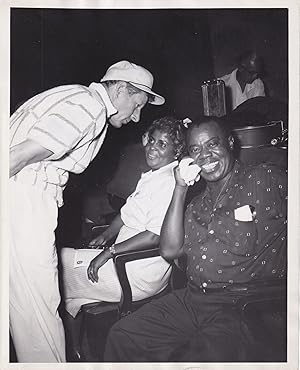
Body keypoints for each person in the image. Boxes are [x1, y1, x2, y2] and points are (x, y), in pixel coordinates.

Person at [9, 60, 164, 363]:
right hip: (26, 196)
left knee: (23, 305)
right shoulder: (90, 107)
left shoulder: (68, 94)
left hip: (19, 192)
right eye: (137, 104)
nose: (137, 117)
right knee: (39, 308)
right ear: (120, 89)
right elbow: (18, 155)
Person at [104, 116, 287, 362]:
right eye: (196, 150)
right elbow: (169, 251)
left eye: (213, 144)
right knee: (124, 334)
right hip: (194, 300)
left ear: (230, 143)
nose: (205, 156)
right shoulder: (196, 204)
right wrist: (180, 187)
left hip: (242, 303)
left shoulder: (263, 178)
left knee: (196, 357)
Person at [60, 116, 186, 360]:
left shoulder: (169, 182)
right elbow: (127, 213)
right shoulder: (153, 175)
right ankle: (74, 353)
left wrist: (109, 251)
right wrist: (107, 234)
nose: (152, 147)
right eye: (151, 140)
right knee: (68, 288)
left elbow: (155, 236)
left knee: (57, 263)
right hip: (125, 259)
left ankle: (63, 349)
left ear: (177, 151)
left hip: (135, 271)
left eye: (162, 144)